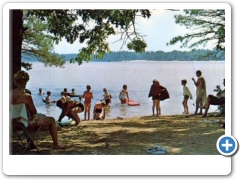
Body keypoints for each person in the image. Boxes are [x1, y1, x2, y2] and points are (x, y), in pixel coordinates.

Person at [10, 70, 66, 149]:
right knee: (52, 120)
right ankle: (56, 144)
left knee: (38, 117)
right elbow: (34, 111)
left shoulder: (10, 93)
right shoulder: (26, 96)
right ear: (25, 82)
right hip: (27, 122)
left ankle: (31, 142)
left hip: (15, 121)